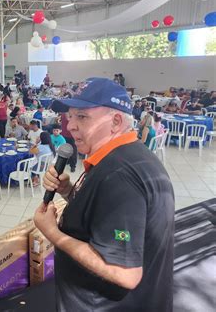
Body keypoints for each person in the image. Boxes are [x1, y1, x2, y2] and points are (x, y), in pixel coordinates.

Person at [36, 77, 174, 311]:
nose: (70, 126)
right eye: (70, 116)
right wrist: (69, 191)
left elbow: (124, 273)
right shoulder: (123, 156)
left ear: (116, 121)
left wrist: (52, 233)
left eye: (82, 116)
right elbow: (103, 215)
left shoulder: (119, 177)